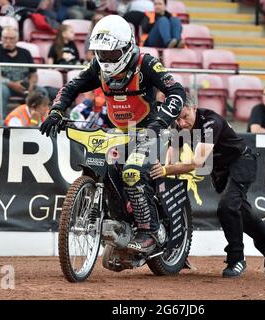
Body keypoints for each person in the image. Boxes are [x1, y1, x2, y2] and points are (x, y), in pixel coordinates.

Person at [40, 14, 186, 253]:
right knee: (107, 173)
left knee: (132, 173)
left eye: (111, 54)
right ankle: (122, 224)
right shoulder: (98, 66)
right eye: (102, 53)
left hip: (151, 132)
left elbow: (177, 92)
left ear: (127, 47)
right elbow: (72, 86)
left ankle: (150, 231)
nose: (106, 59)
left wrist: (160, 122)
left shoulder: (146, 63)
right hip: (118, 132)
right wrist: (56, 111)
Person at [149, 96, 265, 278]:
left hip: (241, 162)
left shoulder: (211, 122)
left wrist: (165, 170)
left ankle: (236, 259)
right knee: (241, 213)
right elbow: (172, 154)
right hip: (221, 171)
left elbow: (197, 162)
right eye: (177, 119)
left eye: (184, 116)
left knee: (227, 207)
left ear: (194, 108)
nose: (181, 123)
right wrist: (167, 174)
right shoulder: (180, 126)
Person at [0, 26, 48, 119]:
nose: (8, 41)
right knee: (2, 90)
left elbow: (34, 74)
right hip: (5, 85)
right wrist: (13, 85)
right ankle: (0, 119)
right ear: (1, 39)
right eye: (5, 38)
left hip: (24, 86)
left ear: (17, 39)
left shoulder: (25, 53)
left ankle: (40, 120)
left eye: (11, 38)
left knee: (41, 92)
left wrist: (31, 86)